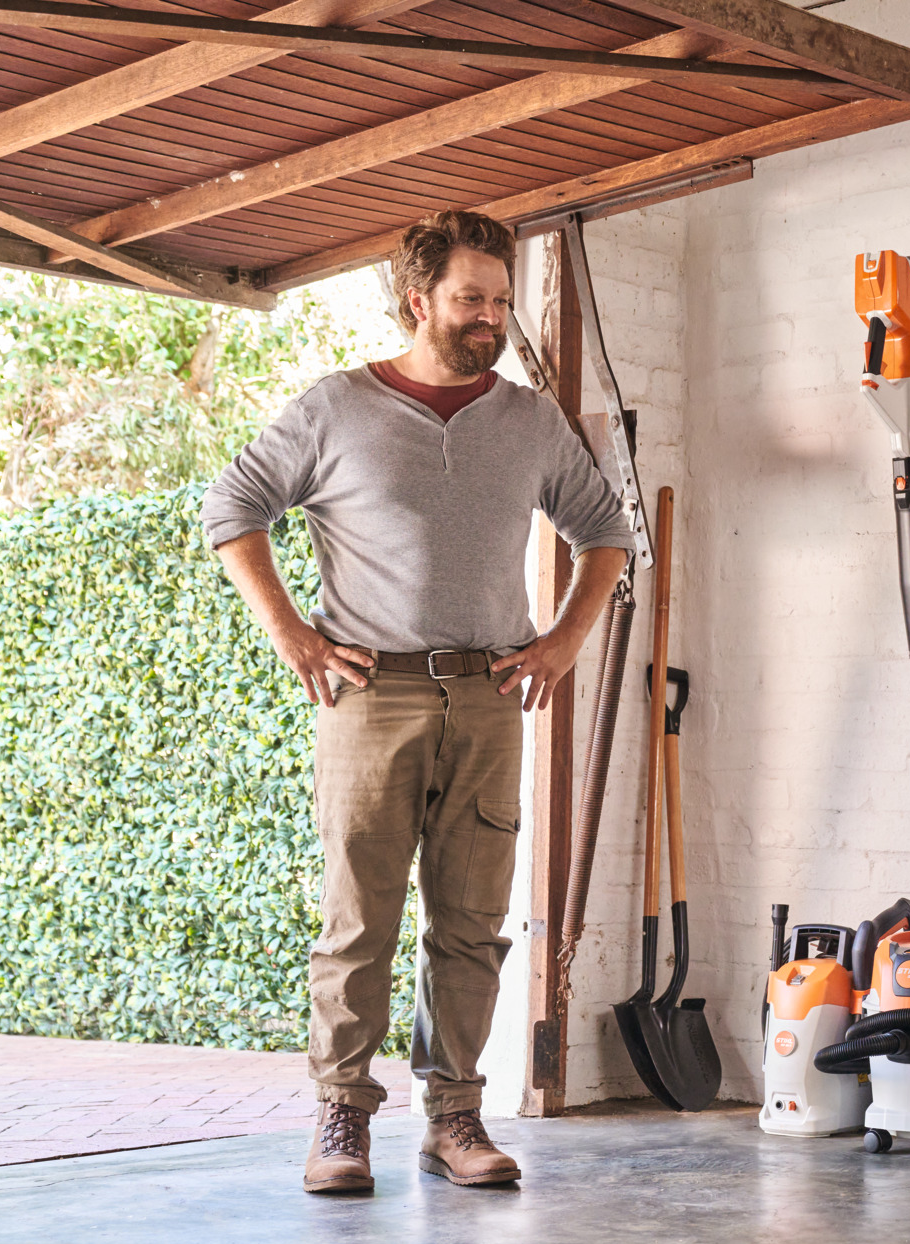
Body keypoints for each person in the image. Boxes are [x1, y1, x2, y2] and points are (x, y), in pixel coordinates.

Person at [202, 210, 635, 1193]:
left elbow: (604, 531)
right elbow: (231, 508)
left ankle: (455, 1117)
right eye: (470, 299)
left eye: (499, 297)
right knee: (361, 918)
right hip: (372, 698)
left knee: (473, 921)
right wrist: (294, 636)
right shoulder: (336, 409)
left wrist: (565, 640)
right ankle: (342, 1120)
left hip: (489, 694)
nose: (491, 316)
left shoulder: (529, 419)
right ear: (418, 301)